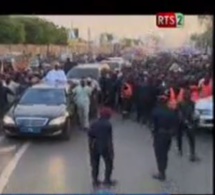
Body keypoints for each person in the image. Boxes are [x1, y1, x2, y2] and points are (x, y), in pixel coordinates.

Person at [151, 93, 177, 181]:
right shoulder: (171, 111)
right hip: (168, 135)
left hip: (159, 135)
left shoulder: (156, 111)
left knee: (159, 154)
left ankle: (161, 173)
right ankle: (163, 171)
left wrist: (153, 133)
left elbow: (153, 125)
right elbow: (175, 124)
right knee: (165, 154)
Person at [88, 107, 116, 187]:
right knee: (109, 163)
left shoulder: (94, 123)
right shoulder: (108, 125)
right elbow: (109, 139)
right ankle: (107, 180)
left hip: (94, 146)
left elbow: (89, 134)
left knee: (95, 164)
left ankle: (95, 181)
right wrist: (111, 150)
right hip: (105, 147)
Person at [177, 89, 200, 162]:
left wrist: (194, 120)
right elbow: (180, 114)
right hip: (182, 122)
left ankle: (192, 154)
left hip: (189, 122)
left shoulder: (192, 103)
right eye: (186, 94)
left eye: (189, 94)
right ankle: (180, 150)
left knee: (191, 138)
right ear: (184, 96)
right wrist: (185, 121)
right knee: (179, 137)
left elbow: (193, 113)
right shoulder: (180, 104)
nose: (188, 96)